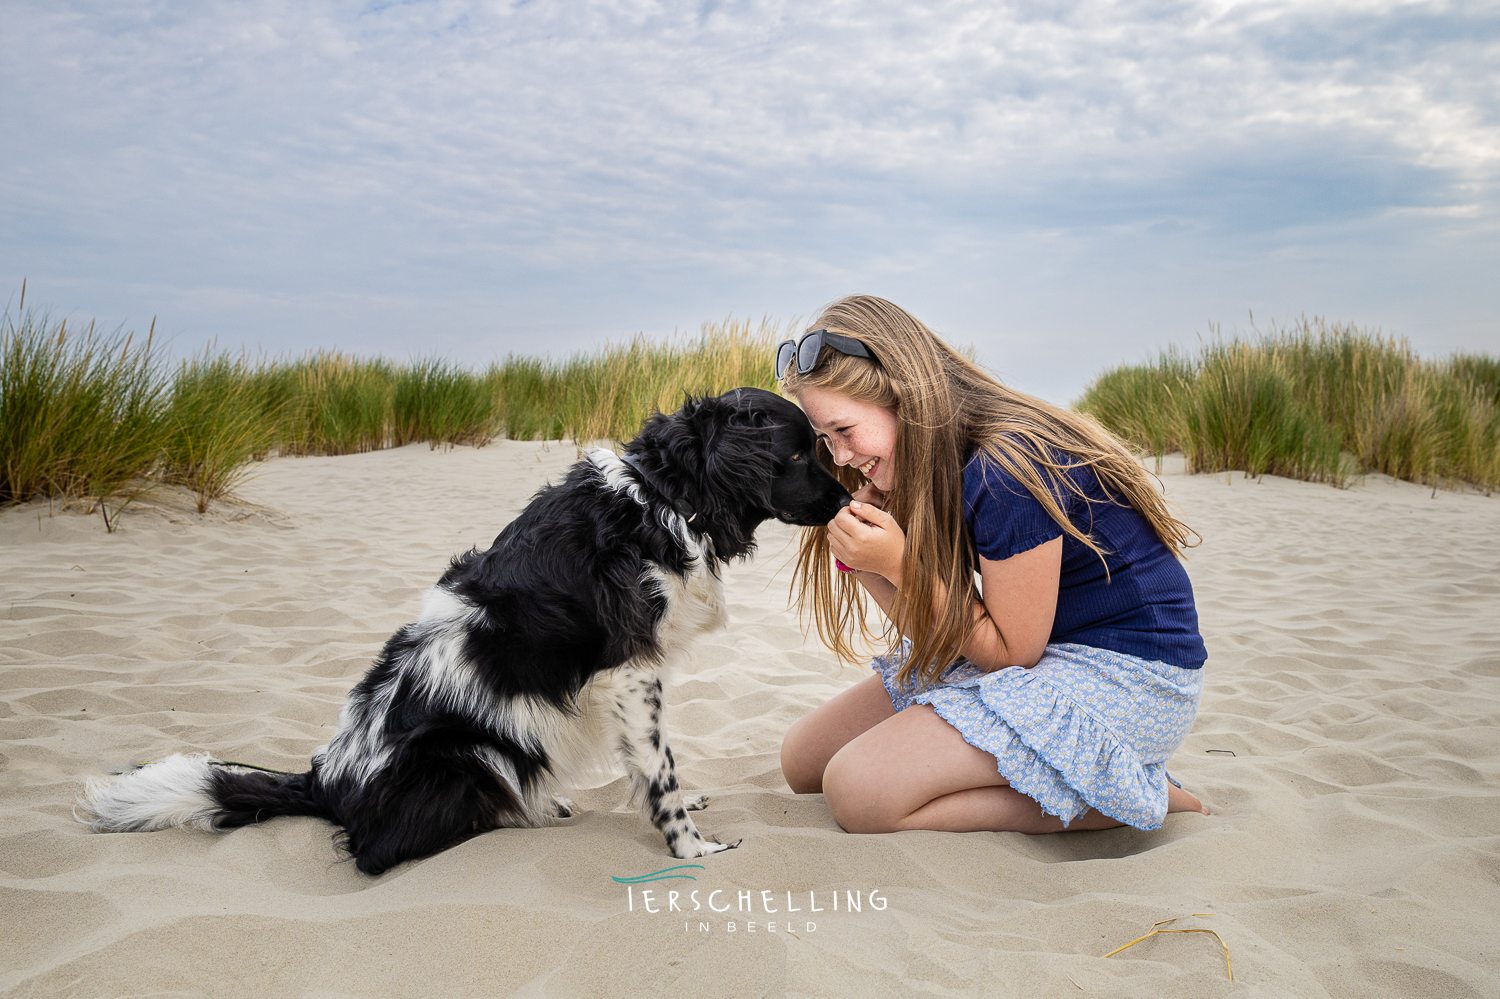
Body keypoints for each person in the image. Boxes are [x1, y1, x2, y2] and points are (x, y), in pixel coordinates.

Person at [776, 295, 1209, 835]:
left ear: (902, 396)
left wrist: (904, 565)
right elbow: (940, 633)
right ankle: (1076, 776)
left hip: (1130, 671)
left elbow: (1010, 654)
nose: (839, 457)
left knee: (859, 794)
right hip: (1043, 652)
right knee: (804, 761)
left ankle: (1132, 794)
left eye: (844, 431)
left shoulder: (1004, 470)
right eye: (824, 439)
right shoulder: (926, 464)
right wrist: (869, 565)